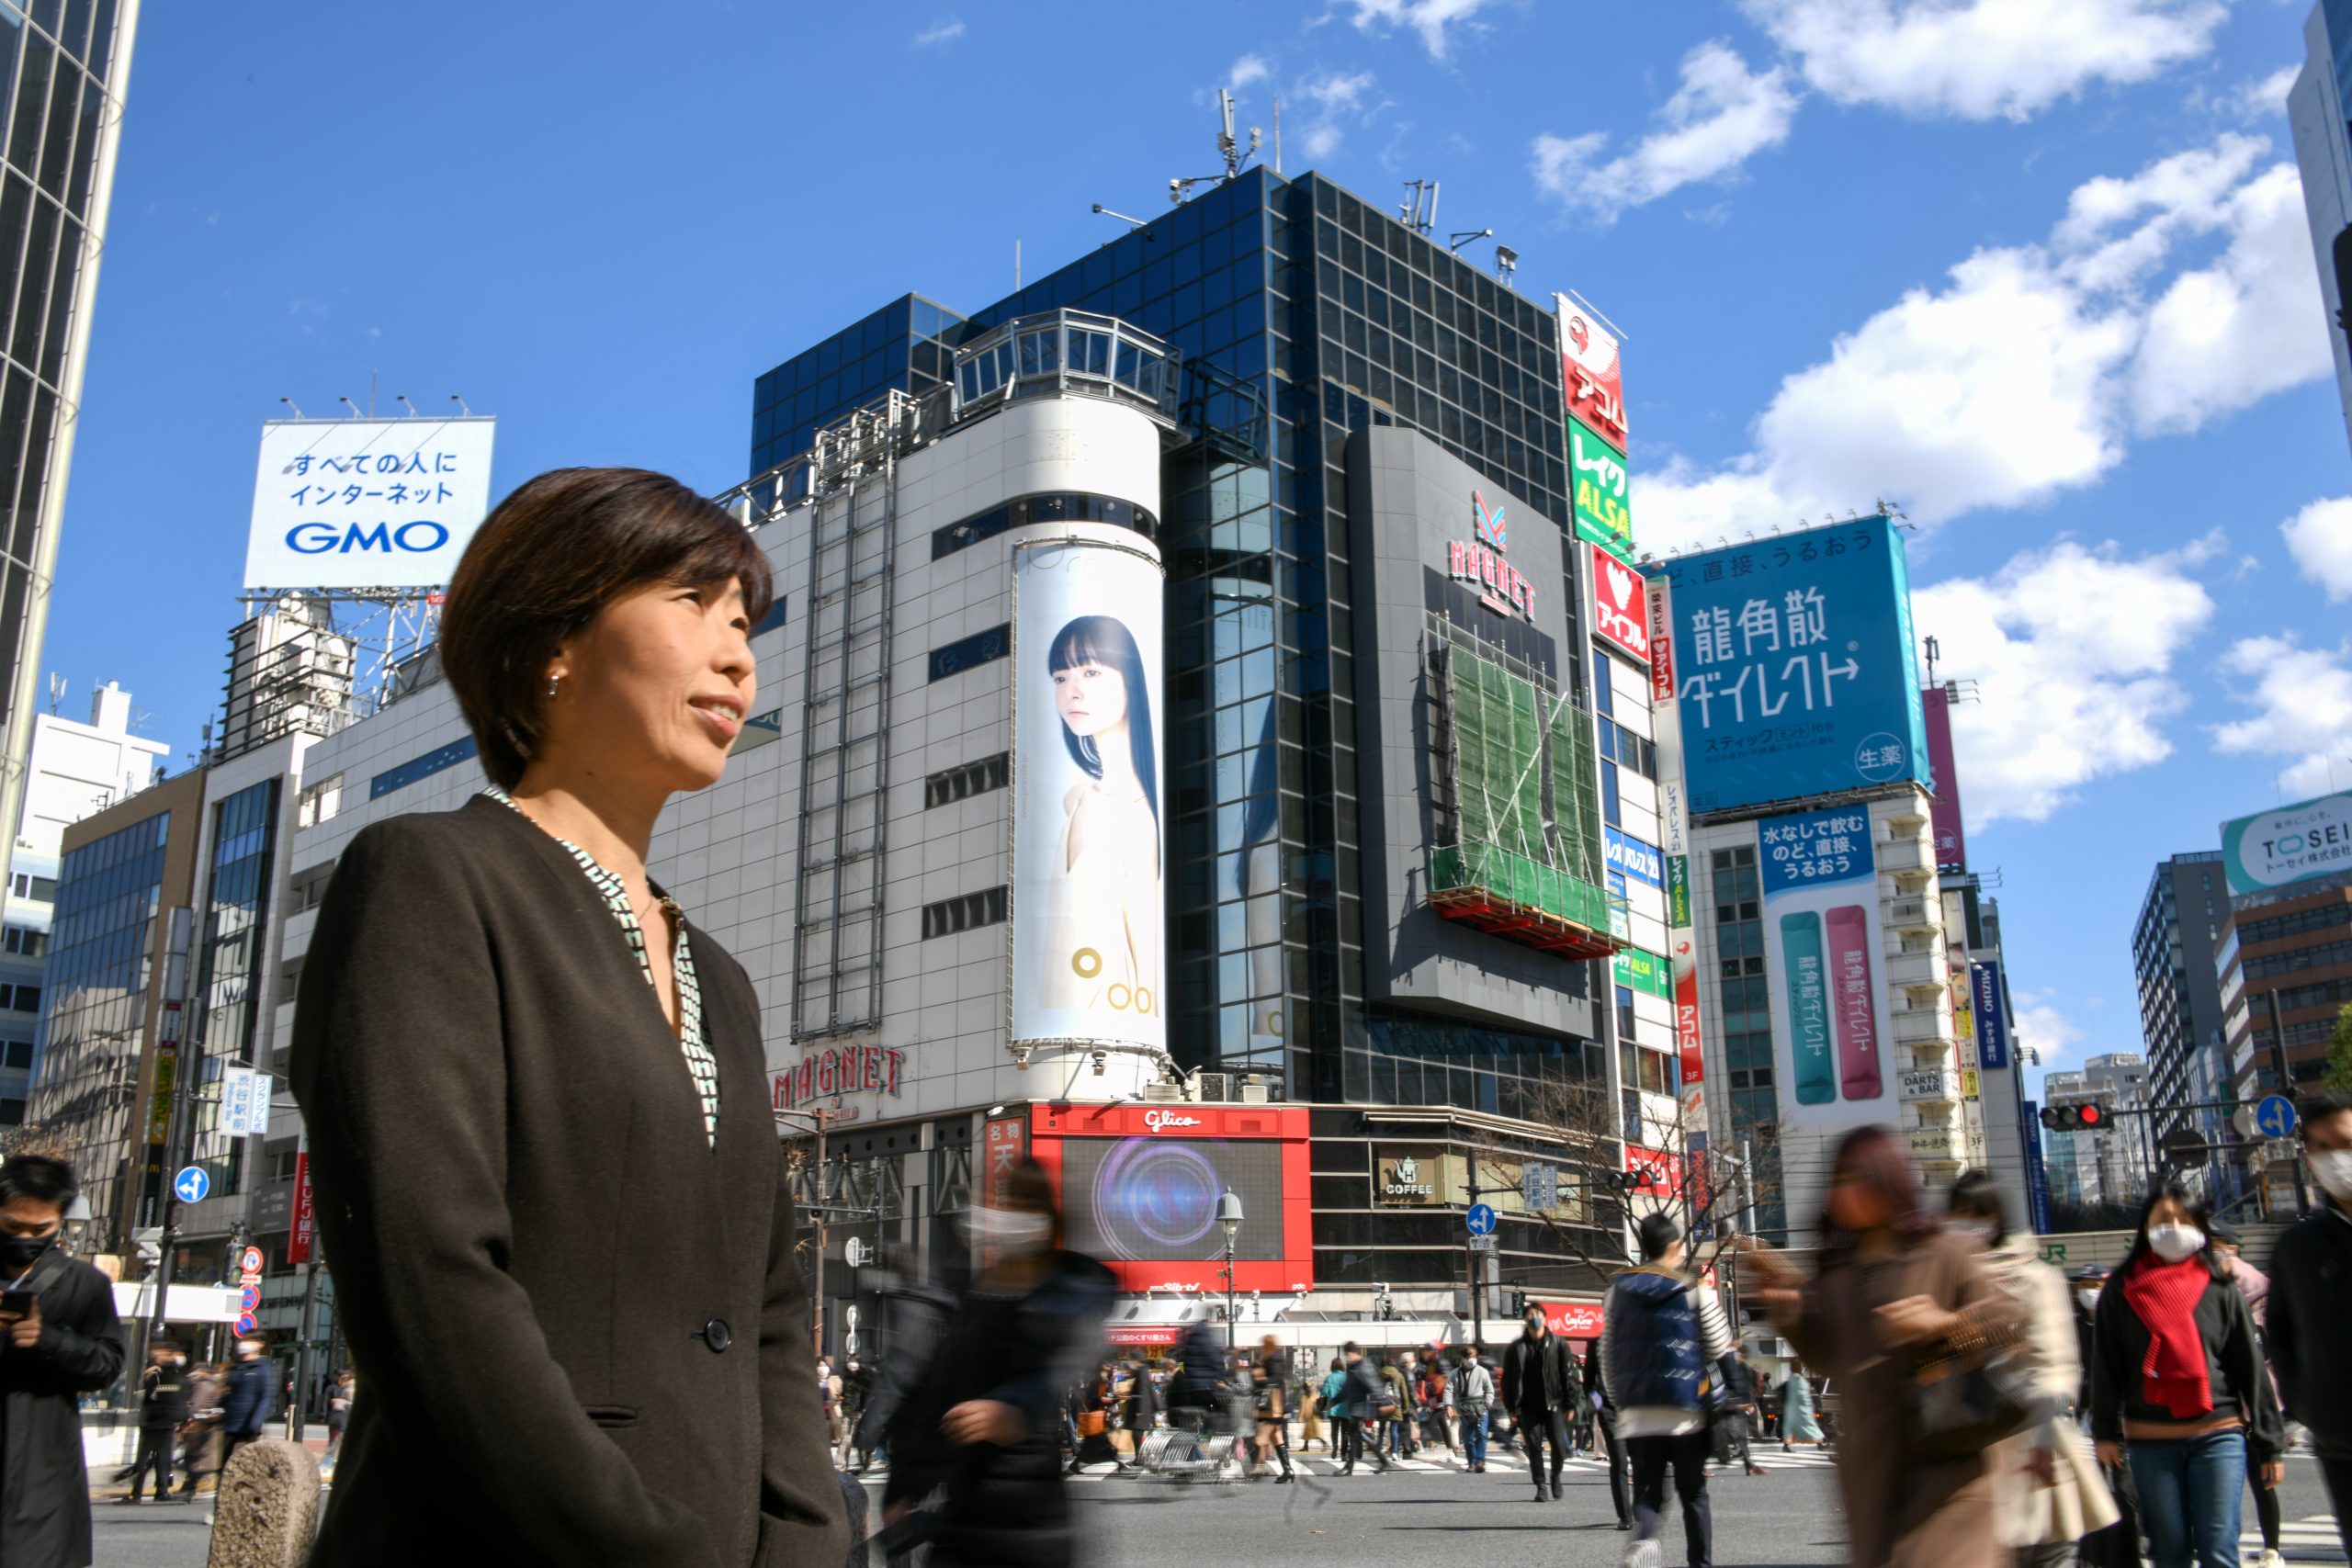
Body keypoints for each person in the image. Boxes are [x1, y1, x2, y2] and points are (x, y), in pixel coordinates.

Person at [289, 468, 848, 1567]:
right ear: (554, 635)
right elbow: (431, 1282)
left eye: (745, 620)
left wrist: (811, 1539)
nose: (738, 653)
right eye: (693, 604)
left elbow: (770, 1306)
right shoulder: (426, 879)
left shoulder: (719, 976)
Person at [1750, 1125, 2023, 1568]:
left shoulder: (1942, 1252)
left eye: (1856, 1179)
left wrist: (1944, 1323)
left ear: (1887, 1180)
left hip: (1948, 1460)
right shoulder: (1837, 1272)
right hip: (1873, 1469)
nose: (1845, 1193)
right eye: (1837, 1181)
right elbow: (1826, 1359)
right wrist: (1789, 1313)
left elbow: (2008, 1320)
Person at [880, 1158, 1115, 1566]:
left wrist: (1013, 1409)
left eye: (1021, 1203)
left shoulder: (1067, 1290)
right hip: (963, 1513)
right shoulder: (976, 1293)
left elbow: (1055, 1365)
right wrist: (906, 1484)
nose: (1004, 1213)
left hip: (1028, 1518)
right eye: (1000, 1202)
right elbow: (936, 1393)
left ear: (1047, 1216)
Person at [2090, 1179, 2282, 1568]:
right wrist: (2105, 1432)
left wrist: (2268, 1442)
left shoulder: (2221, 1287)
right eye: (2163, 1219)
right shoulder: (2121, 1290)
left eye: (2184, 1219)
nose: (2174, 1228)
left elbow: (2250, 1367)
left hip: (2219, 1434)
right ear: (2144, 1228)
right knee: (2169, 1551)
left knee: (2218, 1548)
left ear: (2200, 1228)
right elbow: (2106, 1366)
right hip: (2149, 1440)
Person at [1944, 1169, 2118, 1568]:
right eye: (1957, 1214)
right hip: (1965, 1452)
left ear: (1998, 1219)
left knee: (2044, 1553)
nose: (1965, 1225)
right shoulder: (1942, 1282)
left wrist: (2041, 1434)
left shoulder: (2036, 1278)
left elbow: (2054, 1365)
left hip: (2030, 1442)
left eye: (1977, 1214)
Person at [0, 1154, 125, 1566]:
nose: (25, 1237)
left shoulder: (85, 1284)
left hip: (43, 1467)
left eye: (41, 1229)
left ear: (60, 1221)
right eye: (13, 1226)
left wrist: (47, 1339)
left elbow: (107, 1365)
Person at [1035, 615, 1161, 1018]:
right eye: (1060, 677)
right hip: (1056, 1013)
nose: (1072, 692)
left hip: (1109, 1015)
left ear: (1130, 681)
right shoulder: (1077, 798)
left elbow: (1145, 946)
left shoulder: (1139, 814)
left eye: (1090, 672)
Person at [1602, 1211, 1735, 1568]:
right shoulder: (1692, 1288)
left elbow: (1608, 1353)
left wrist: (1621, 1402)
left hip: (1638, 1412)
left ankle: (1643, 1541)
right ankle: (1700, 1565)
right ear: (1675, 1245)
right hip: (1685, 1410)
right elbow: (1719, 1345)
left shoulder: (1616, 1290)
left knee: (1646, 1492)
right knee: (1694, 1495)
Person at [2264, 1089, 2352, 1562]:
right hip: (2342, 1438)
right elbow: (2279, 1331)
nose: (2334, 1158)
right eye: (2320, 1147)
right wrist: (2308, 1402)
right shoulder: (2297, 1248)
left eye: (2344, 1143)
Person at [2210, 1218, 2281, 1568]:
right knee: (2228, 1483)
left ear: (2231, 1247)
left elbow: (2265, 1352)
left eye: (2215, 1243)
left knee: (2260, 1479)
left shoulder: (2259, 1298)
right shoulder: (2209, 1293)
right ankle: (2235, 1547)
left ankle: (2272, 1548)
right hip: (2223, 1405)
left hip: (2253, 1405)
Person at [1504, 1303, 1582, 1503]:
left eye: (1538, 1314)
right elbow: (1508, 1379)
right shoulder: (1517, 1347)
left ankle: (1555, 1475)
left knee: (1559, 1446)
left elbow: (1569, 1374)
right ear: (1525, 1319)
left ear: (1545, 1319)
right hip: (1528, 1406)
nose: (1534, 1317)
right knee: (1534, 1446)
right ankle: (1540, 1485)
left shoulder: (1558, 1343)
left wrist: (1571, 1403)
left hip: (1554, 1403)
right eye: (1530, 1314)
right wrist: (1512, 1408)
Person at [124, 1340, 190, 1505]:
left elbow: (152, 1397)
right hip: (160, 1422)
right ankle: (160, 1490)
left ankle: (141, 1492)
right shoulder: (163, 1374)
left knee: (150, 1459)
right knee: (159, 1459)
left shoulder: (159, 1374)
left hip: (155, 1422)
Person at [1585, 1334, 1634, 1529]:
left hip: (1635, 1408)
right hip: (1609, 1410)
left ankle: (1644, 1509)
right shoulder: (1596, 1344)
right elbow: (1588, 1383)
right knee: (1619, 1461)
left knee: (1643, 1461)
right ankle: (1625, 1516)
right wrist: (1598, 1406)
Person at [219, 1337, 276, 1474]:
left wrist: (256, 1421)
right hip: (230, 1423)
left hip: (249, 1426)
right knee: (225, 1465)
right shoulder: (235, 1368)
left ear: (259, 1345)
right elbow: (227, 1393)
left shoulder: (262, 1369)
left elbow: (266, 1396)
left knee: (246, 1464)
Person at [1340, 1344, 1393, 1475]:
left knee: (1353, 1435)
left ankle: (1349, 1467)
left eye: (1347, 1354)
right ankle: (1382, 1460)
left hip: (1361, 1406)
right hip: (1356, 1406)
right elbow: (1347, 1389)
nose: (1347, 1357)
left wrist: (1385, 1402)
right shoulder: (1355, 1367)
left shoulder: (1363, 1367)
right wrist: (1334, 1401)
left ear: (1353, 1352)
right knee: (1357, 1435)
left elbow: (1375, 1385)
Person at [1252, 1335, 1294, 1483]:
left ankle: (1257, 1468)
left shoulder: (1274, 1358)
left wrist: (1261, 1379)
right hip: (1276, 1404)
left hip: (1273, 1404)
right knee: (1277, 1438)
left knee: (1260, 1439)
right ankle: (1288, 1470)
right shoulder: (1276, 1357)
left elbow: (1276, 1379)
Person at [1717, 1352, 1766, 1477]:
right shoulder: (1727, 1359)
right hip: (1727, 1402)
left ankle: (1748, 1464)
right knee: (1733, 1433)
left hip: (1732, 1403)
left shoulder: (1736, 1362)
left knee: (1740, 1435)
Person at [1453, 1345, 1496, 1472]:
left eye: (1473, 1356)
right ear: (1462, 1358)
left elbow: (1489, 1389)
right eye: (1469, 1356)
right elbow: (1449, 1390)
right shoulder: (1456, 1373)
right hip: (1465, 1408)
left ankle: (1480, 1461)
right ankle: (1471, 1461)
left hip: (1481, 1407)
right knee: (1467, 1438)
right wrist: (1449, 1405)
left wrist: (1488, 1403)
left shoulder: (1483, 1371)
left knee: (1482, 1434)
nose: (1472, 1359)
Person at [325, 1368, 355, 1464]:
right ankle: (338, 1462)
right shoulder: (351, 1388)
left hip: (336, 1419)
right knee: (343, 1444)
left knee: (333, 1444)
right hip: (343, 1421)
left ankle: (327, 1463)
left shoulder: (346, 1389)